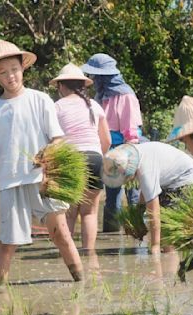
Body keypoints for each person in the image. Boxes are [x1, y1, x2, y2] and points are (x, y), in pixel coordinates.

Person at [0, 40, 83, 291]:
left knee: (62, 235)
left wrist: (47, 159)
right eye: (3, 72)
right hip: (10, 182)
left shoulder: (40, 100)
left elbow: (57, 139)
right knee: (7, 243)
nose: (10, 76)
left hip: (43, 181)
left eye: (14, 69)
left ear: (23, 68)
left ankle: (82, 284)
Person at [50, 62, 111, 250]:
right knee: (90, 212)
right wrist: (98, 158)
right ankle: (89, 255)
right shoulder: (94, 106)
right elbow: (106, 140)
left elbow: (53, 141)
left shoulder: (57, 107)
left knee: (69, 213)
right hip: (95, 158)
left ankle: (69, 256)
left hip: (71, 161)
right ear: (83, 85)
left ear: (60, 85)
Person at [101, 142, 193, 255]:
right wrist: (138, 212)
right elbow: (146, 192)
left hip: (185, 176)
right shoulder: (132, 156)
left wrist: (155, 246)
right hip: (171, 177)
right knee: (164, 228)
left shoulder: (145, 171)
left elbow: (154, 211)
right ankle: (169, 253)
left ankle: (169, 259)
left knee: (167, 228)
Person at [81, 53, 144, 232]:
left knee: (133, 194)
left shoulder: (126, 95)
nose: (93, 79)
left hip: (128, 148)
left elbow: (131, 127)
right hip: (109, 149)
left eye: (96, 76)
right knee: (112, 194)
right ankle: (111, 233)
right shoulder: (101, 96)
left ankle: (137, 231)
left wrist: (131, 153)